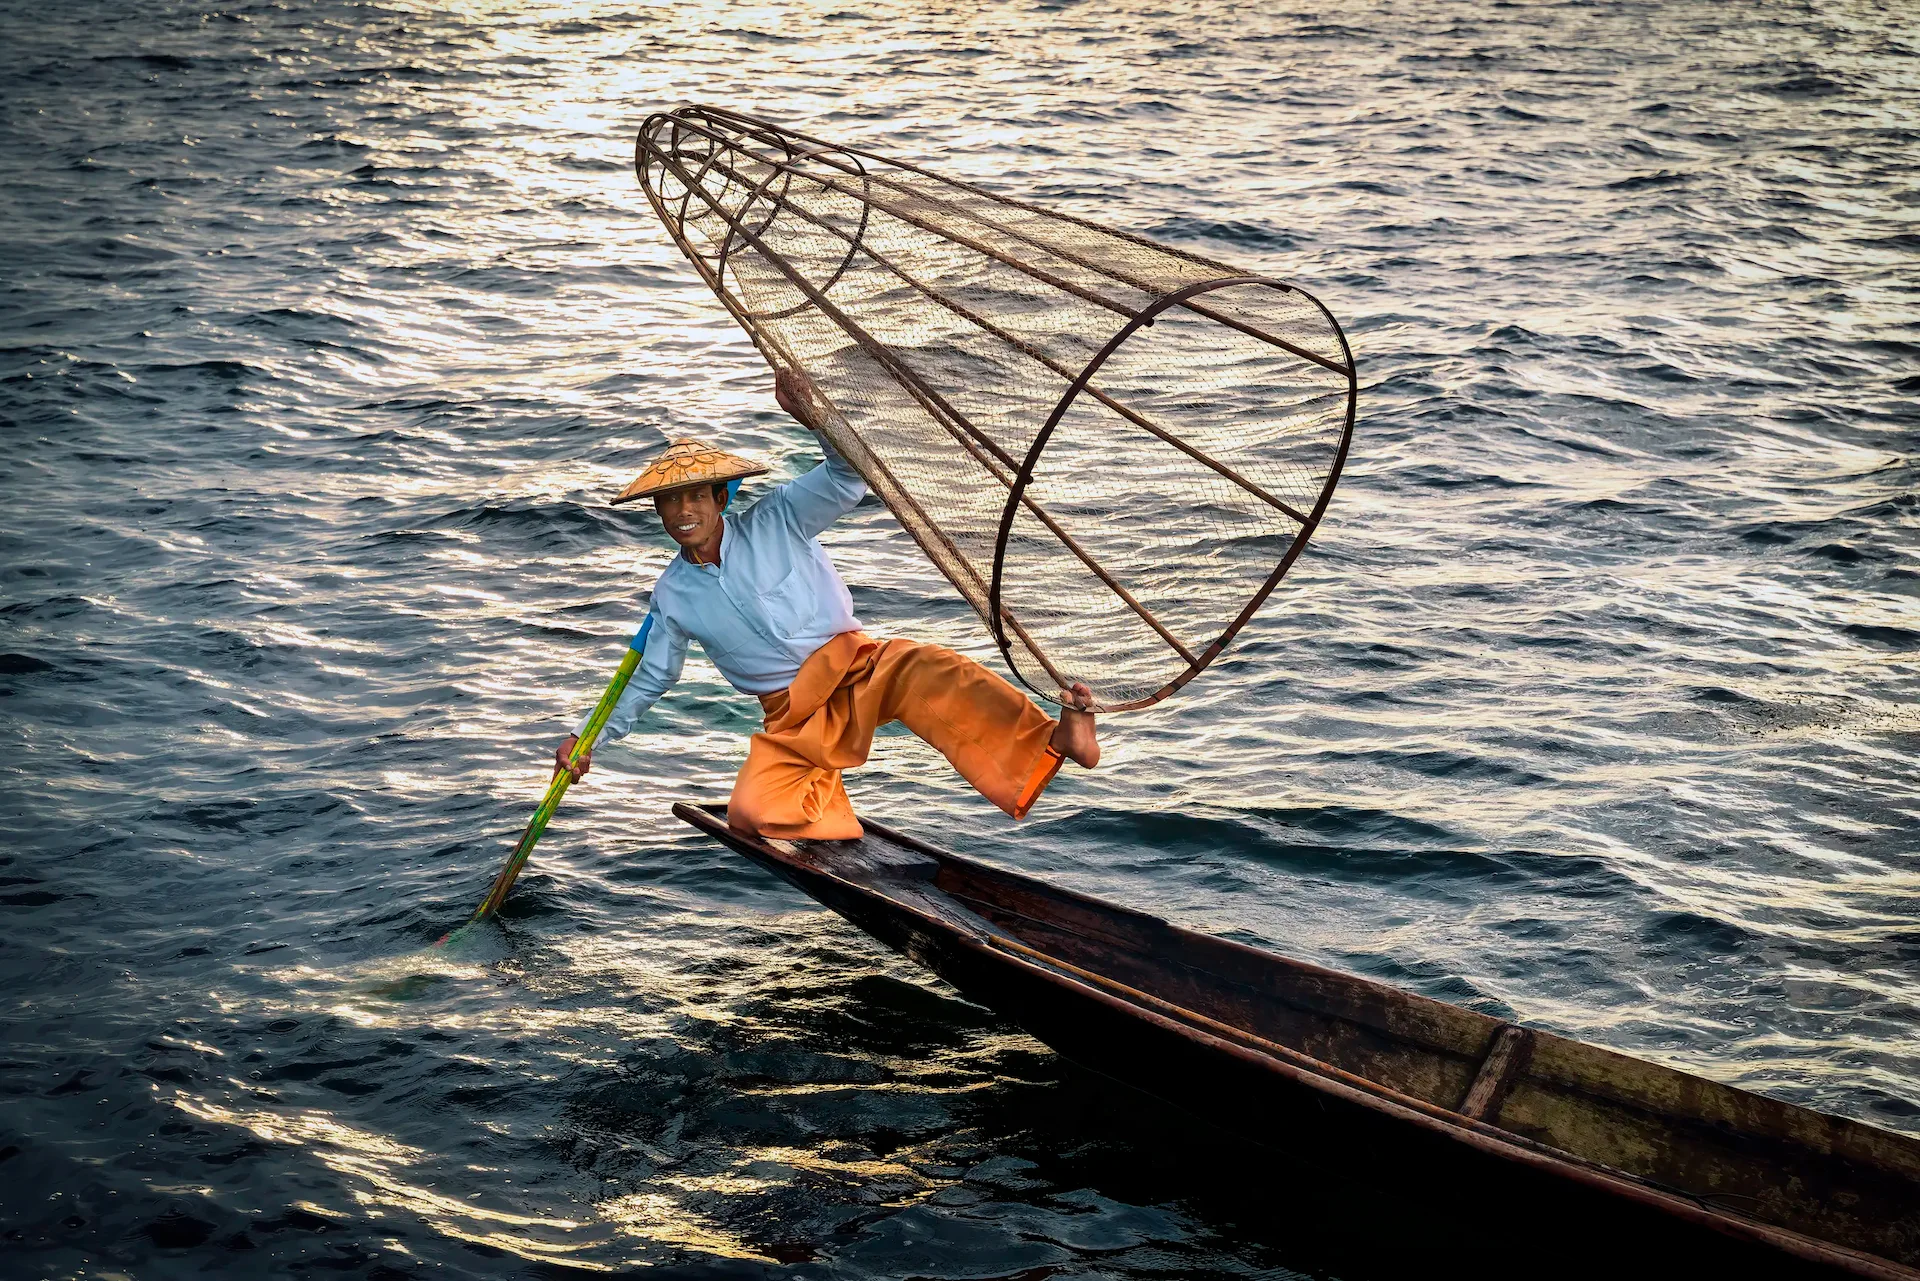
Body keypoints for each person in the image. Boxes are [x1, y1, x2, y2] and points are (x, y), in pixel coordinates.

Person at [553, 368, 1098, 841]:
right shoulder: (671, 595)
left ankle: (1057, 737)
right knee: (751, 815)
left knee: (931, 669)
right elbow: (649, 679)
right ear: (659, 513)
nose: (683, 510)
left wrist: (814, 416)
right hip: (789, 715)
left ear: (722, 499)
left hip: (857, 667)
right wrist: (588, 738)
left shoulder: (779, 518)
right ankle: (828, 816)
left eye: (697, 495)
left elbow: (846, 475)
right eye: (670, 500)